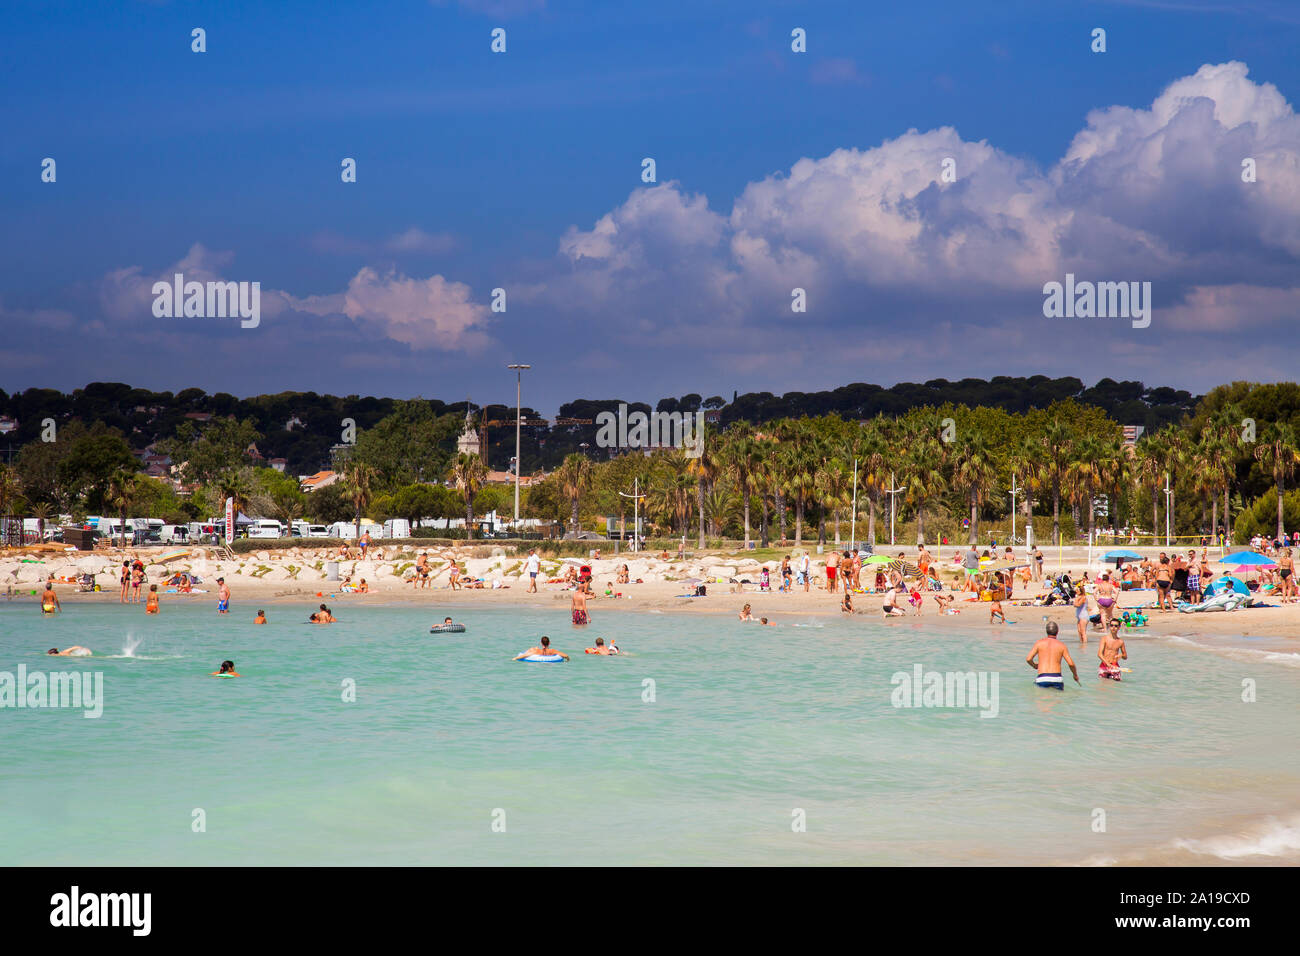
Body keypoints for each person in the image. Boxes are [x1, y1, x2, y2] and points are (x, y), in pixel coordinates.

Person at [1026, 621, 1079, 690]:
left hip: (1043, 677)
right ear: (1057, 631)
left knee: (1041, 699)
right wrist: (1075, 675)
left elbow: (1028, 659)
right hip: (1057, 678)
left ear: (1046, 631)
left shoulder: (1039, 643)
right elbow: (1071, 664)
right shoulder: (1062, 645)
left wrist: (1034, 665)